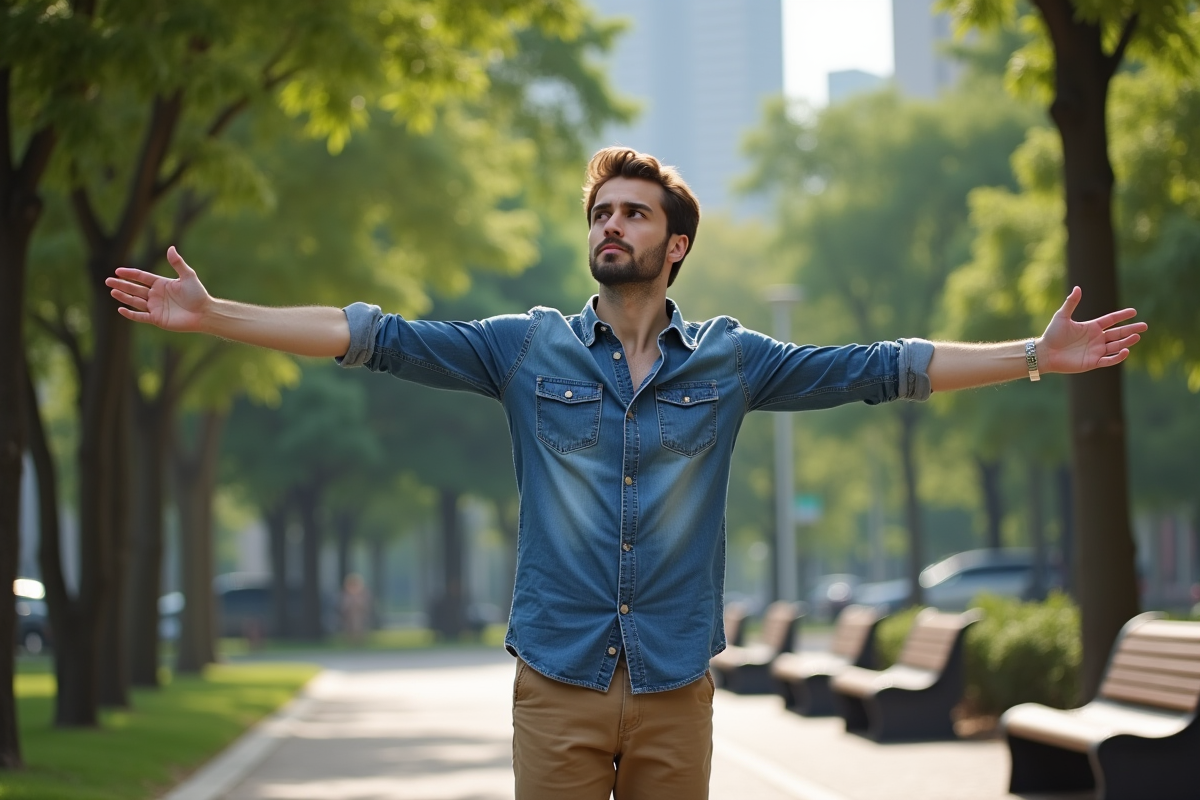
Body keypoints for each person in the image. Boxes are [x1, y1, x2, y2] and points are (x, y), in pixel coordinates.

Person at [106, 147, 1146, 799]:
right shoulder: (525, 348)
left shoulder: (734, 361)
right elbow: (368, 335)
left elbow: (884, 368)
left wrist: (1028, 353)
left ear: (675, 242)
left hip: (672, 686)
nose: (612, 225)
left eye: (633, 212)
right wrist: (218, 314)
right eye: (601, 213)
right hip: (555, 682)